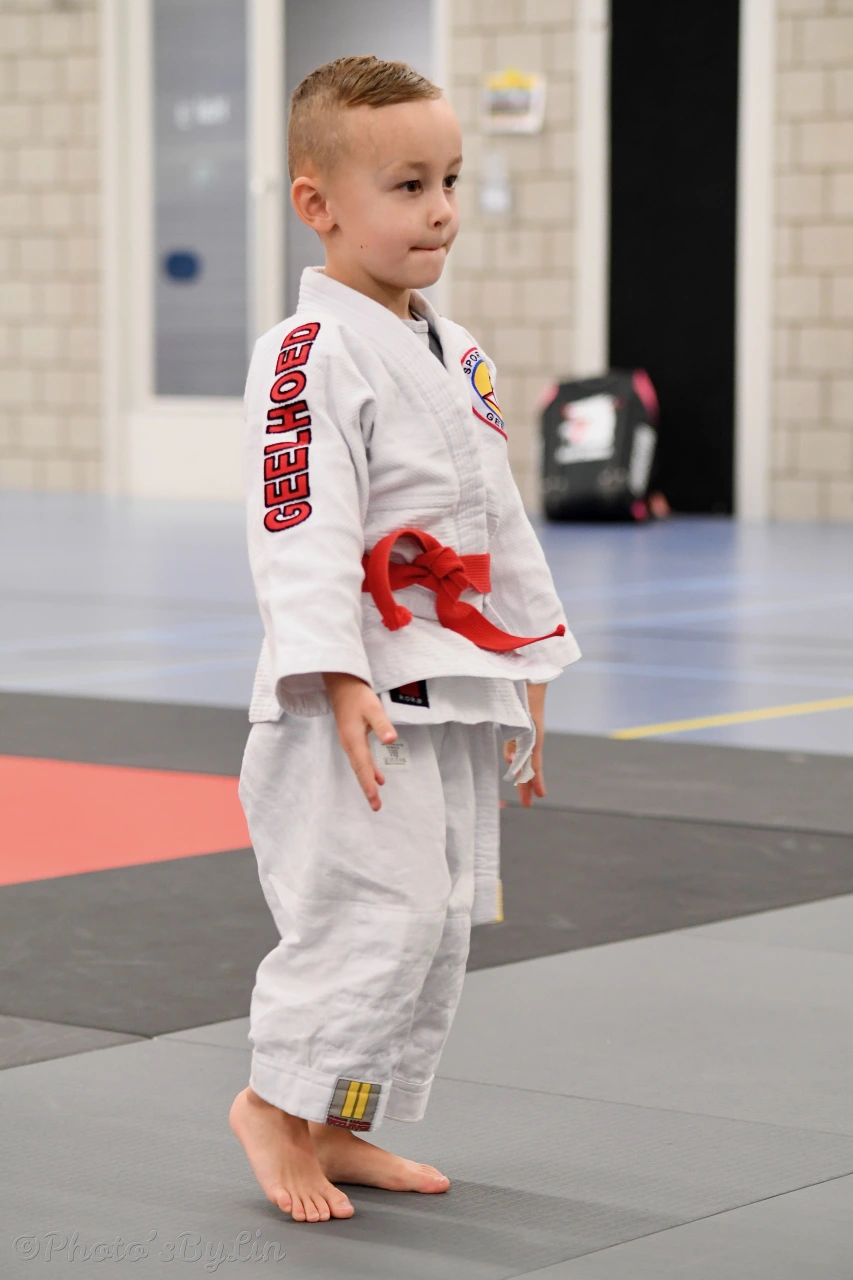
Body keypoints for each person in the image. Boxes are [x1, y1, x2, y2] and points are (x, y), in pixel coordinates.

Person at [229, 54, 581, 1224]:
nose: (438, 210)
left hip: (453, 677)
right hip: (353, 694)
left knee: (434, 916)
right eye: (407, 185)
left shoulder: (455, 348)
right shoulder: (305, 352)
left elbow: (498, 520)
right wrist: (334, 674)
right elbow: (301, 524)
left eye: (450, 181)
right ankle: (272, 1106)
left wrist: (530, 664)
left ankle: (342, 1116)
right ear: (317, 204)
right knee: (368, 907)